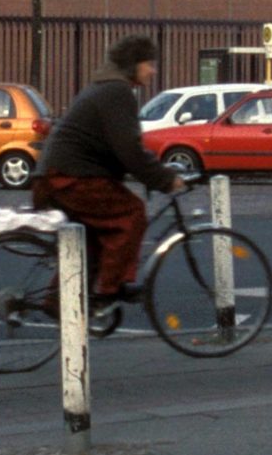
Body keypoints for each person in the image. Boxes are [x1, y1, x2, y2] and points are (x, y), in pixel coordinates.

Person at [33, 35, 187, 307]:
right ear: (132, 65)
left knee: (91, 241)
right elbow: (129, 149)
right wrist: (166, 179)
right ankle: (111, 288)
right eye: (148, 64)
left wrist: (149, 172)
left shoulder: (103, 87)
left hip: (55, 176)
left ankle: (58, 303)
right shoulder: (117, 92)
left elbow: (118, 148)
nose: (153, 70)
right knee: (131, 213)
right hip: (70, 178)